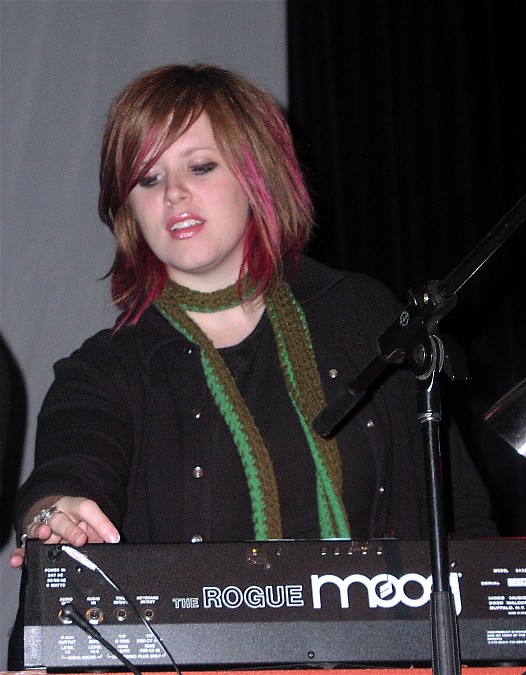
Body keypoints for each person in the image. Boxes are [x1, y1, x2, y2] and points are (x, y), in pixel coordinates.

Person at [10, 63, 496, 572]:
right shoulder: (105, 370)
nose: (173, 192)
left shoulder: (361, 313)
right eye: (148, 179)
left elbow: (463, 516)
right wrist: (53, 514)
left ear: (256, 175)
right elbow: (70, 467)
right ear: (129, 208)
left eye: (200, 167)